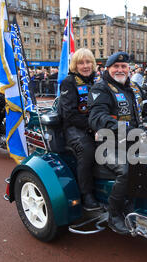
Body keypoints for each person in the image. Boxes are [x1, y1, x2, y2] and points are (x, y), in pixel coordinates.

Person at [88, 51, 143, 234]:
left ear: (129, 69)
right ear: (108, 69)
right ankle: (114, 214)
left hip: (133, 140)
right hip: (108, 143)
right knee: (125, 170)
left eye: (123, 66)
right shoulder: (101, 88)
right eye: (116, 67)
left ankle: (136, 205)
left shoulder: (133, 88)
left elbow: (144, 112)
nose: (120, 69)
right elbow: (97, 118)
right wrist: (122, 129)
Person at [58, 48, 101, 211]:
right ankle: (86, 193)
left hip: (94, 125)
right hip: (74, 128)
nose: (85, 66)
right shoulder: (69, 82)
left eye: (88, 62)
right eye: (81, 62)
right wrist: (92, 127)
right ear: (75, 65)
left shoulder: (96, 81)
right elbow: (69, 114)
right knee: (87, 150)